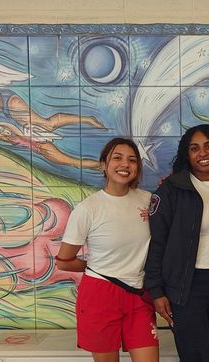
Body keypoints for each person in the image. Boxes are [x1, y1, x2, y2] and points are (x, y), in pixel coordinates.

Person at [55, 138, 158, 362]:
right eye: (117, 158)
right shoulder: (88, 209)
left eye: (132, 160)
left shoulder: (148, 201)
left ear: (137, 168)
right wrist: (96, 266)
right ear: (104, 165)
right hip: (101, 294)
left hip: (138, 294)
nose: (125, 164)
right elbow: (64, 261)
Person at [145, 124, 209, 362]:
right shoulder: (172, 189)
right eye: (194, 148)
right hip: (185, 286)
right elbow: (157, 243)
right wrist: (156, 291)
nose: (202, 154)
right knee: (196, 355)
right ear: (187, 154)